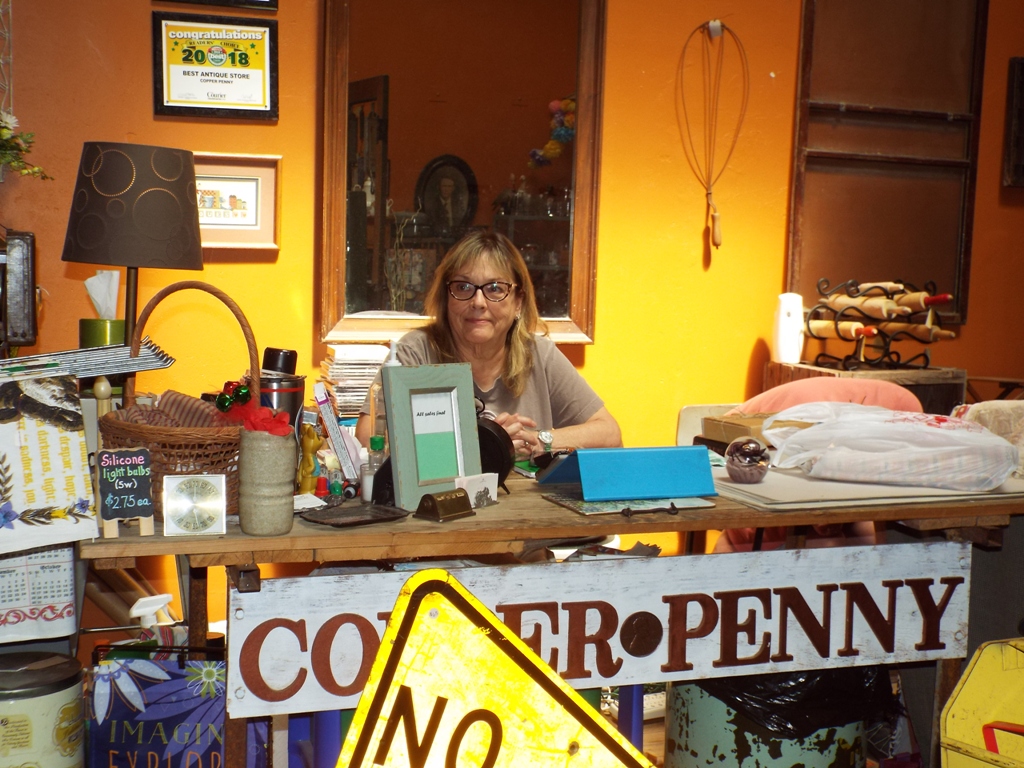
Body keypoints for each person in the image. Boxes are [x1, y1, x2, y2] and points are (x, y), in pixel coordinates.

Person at [356, 231, 621, 458]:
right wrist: (485, 443)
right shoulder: (416, 352)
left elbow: (609, 433)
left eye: (495, 288)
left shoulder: (541, 355)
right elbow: (368, 435)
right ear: (446, 298)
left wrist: (538, 439)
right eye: (463, 287)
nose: (478, 302)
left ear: (518, 302)